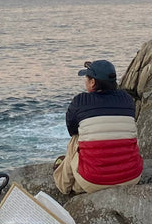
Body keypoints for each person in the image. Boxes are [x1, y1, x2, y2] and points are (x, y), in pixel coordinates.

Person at [53, 59, 143, 194]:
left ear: (93, 82)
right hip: (132, 178)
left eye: (86, 78)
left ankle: (63, 184)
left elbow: (71, 130)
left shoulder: (81, 101)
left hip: (94, 181)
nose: (85, 82)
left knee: (75, 140)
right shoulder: (127, 99)